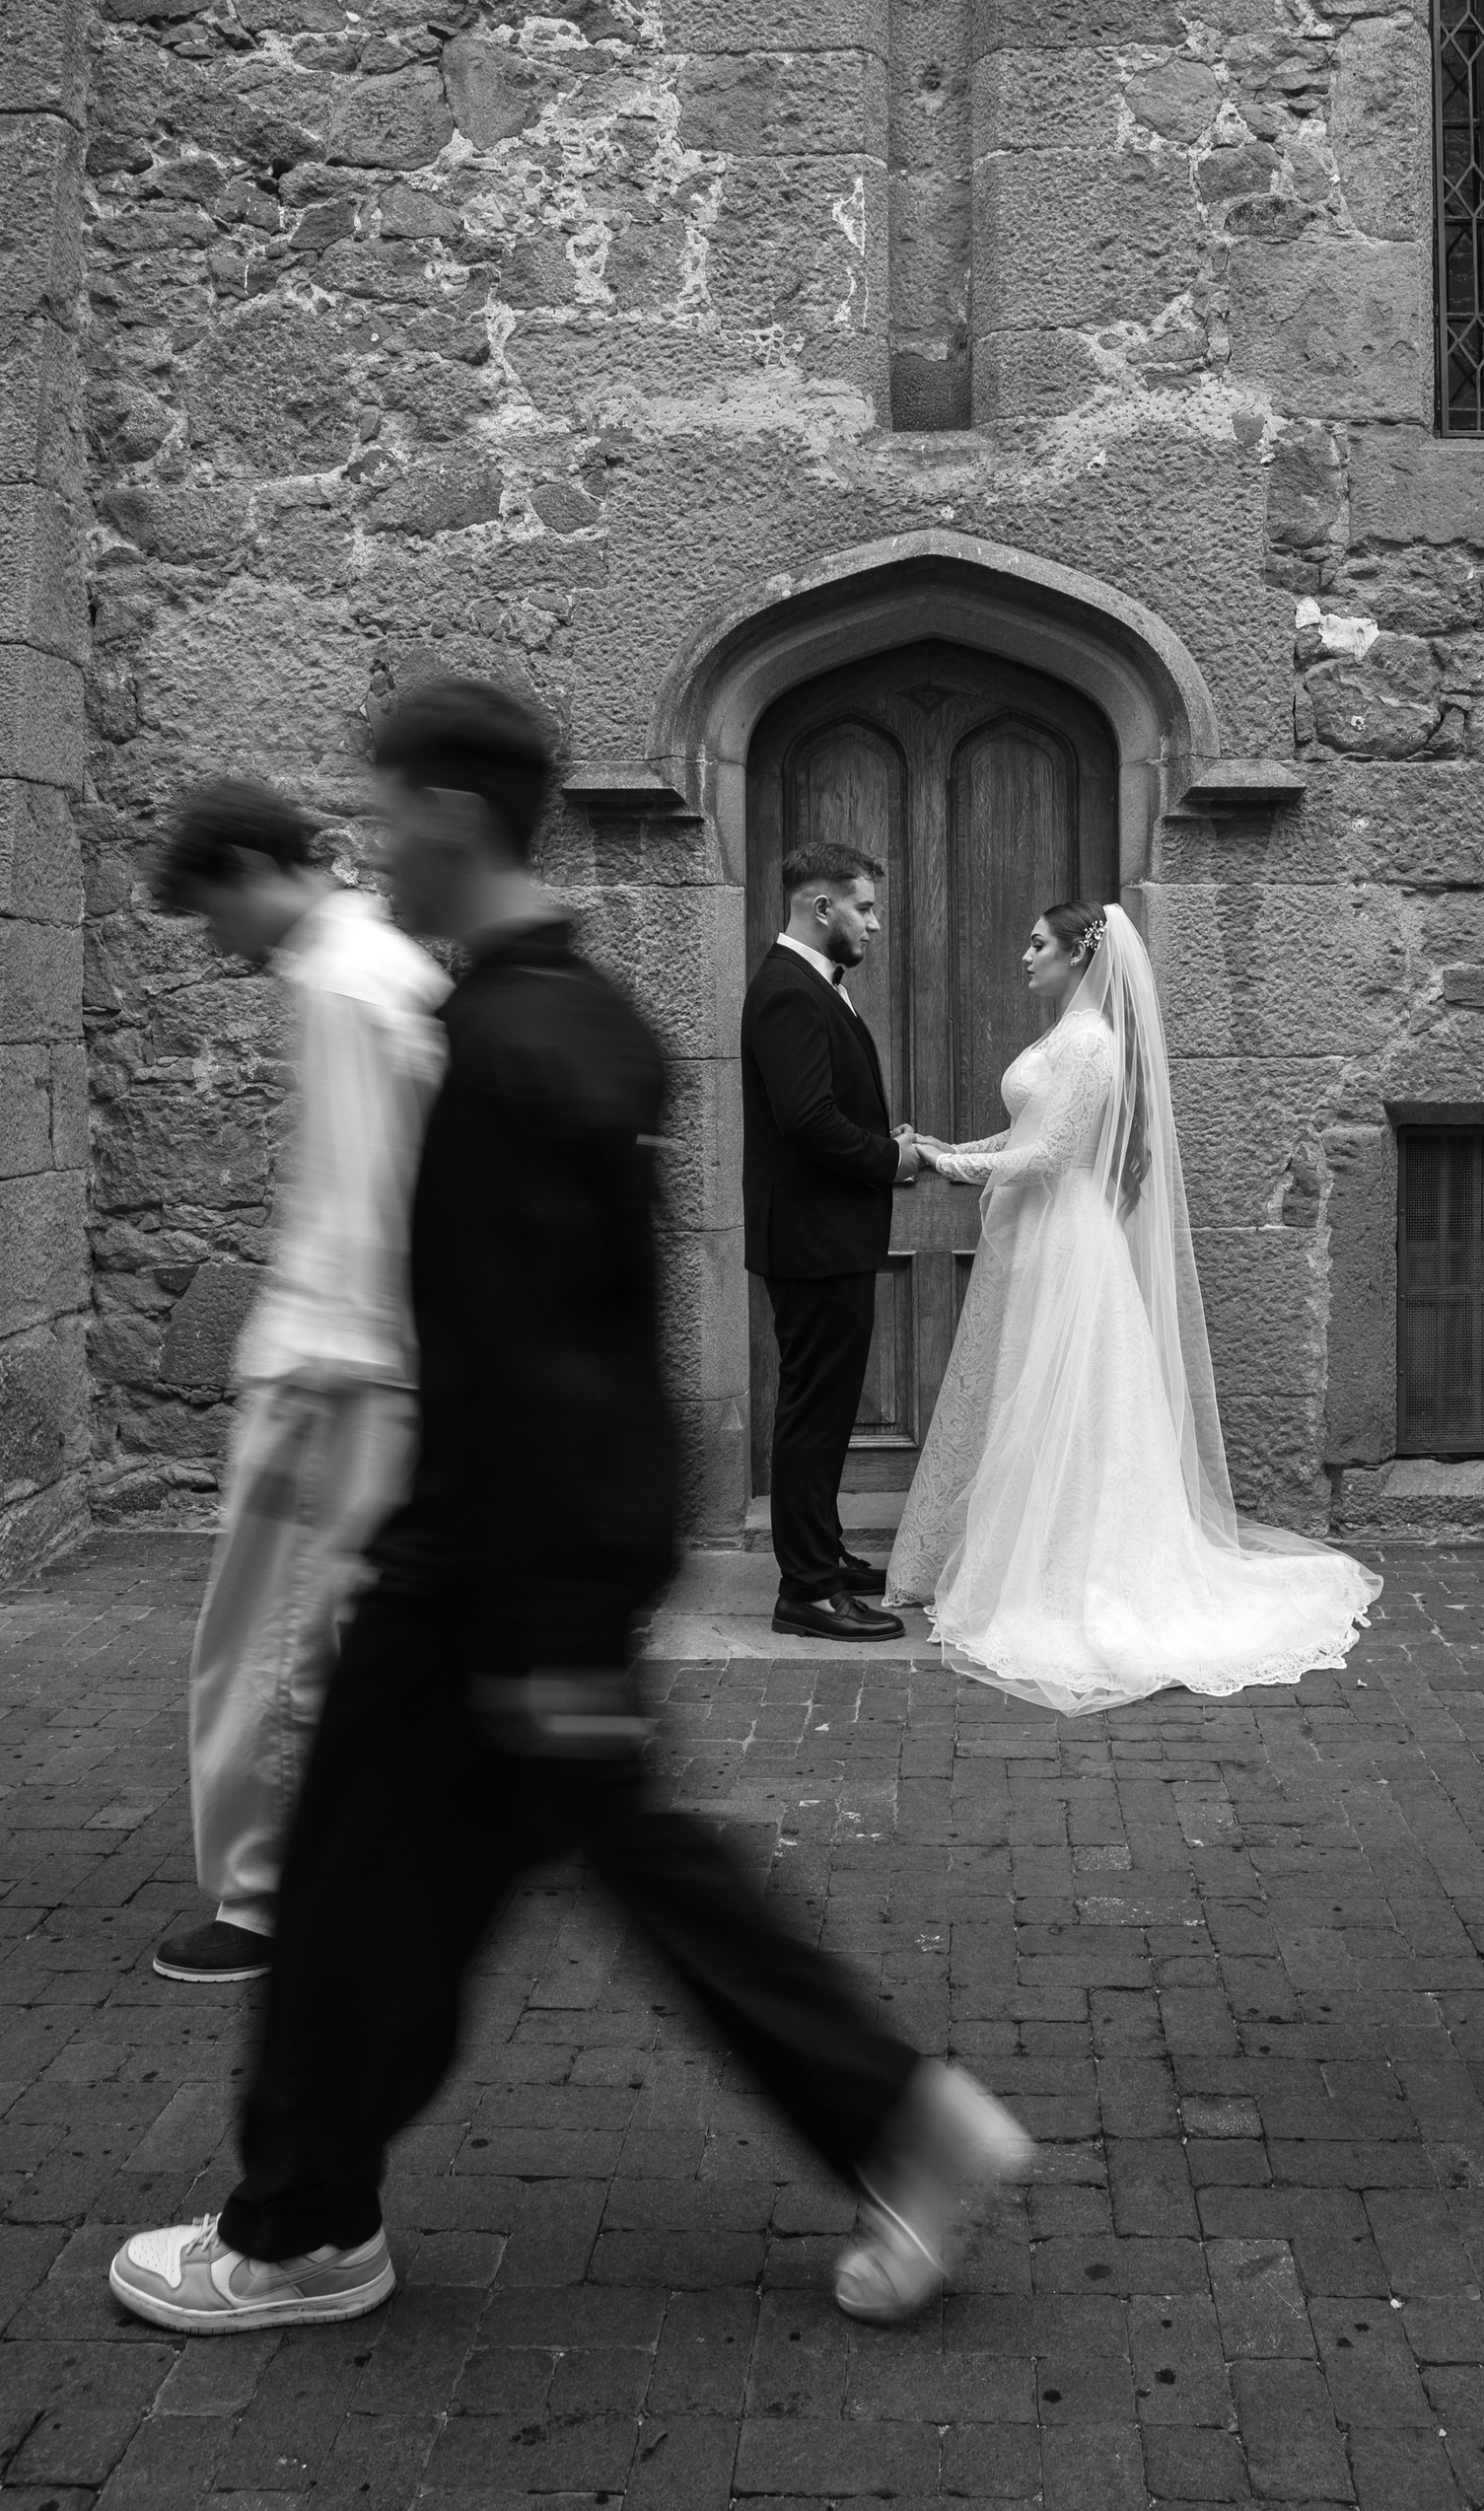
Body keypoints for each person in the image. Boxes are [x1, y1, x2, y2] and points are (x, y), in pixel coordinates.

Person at [109, 679, 1028, 2339]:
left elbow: (534, 1348)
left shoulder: (506, 1045)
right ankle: (891, 2121)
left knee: (372, 1880)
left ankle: (305, 2228)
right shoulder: (573, 1009)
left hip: (493, 1559)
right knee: (546, 1867)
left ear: (454, 820)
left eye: (390, 818)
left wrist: (529, 1615)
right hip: (533, 1549)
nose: (372, 853)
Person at [884, 900, 1380, 1714]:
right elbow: (1027, 1132)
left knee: (1074, 1405)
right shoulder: (1068, 1037)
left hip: (1069, 1239)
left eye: (1037, 944)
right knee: (1045, 1401)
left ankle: (1077, 1576)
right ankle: (1038, 1559)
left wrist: (943, 1165)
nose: (1025, 957)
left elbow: (1051, 1155)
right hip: (1044, 1235)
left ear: (1079, 955)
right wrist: (947, 1148)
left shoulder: (1089, 1044)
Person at [146, 780, 448, 1983]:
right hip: (371, 1359)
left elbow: (365, 1196)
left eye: (213, 912)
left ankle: (265, 1895)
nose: (219, 944)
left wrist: (329, 1366)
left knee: (268, 1638)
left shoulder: (341, 982)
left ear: (250, 870)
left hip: (337, 1364)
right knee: (342, 1628)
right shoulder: (381, 963)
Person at [742, 842, 918, 1642]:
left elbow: (823, 1106)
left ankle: (825, 1553)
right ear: (822, 908)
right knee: (814, 1413)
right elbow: (807, 1121)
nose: (874, 924)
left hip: (829, 1237)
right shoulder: (788, 989)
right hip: (812, 1243)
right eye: (864, 907)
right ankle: (807, 1591)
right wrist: (891, 1160)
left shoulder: (815, 983)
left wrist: (883, 1140)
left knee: (827, 1408)